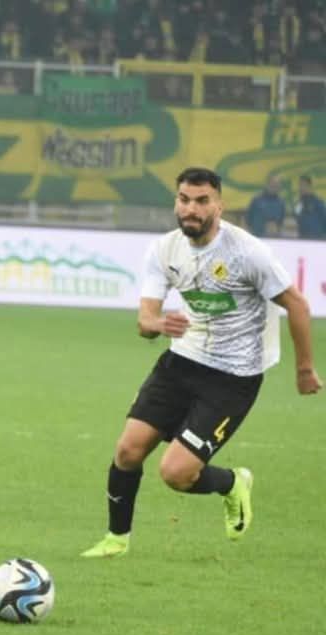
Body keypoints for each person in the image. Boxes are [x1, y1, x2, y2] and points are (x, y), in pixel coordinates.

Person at [81, 167, 321, 559]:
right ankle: (116, 539)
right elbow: (145, 321)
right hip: (182, 361)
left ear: (219, 206)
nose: (191, 209)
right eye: (184, 200)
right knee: (127, 451)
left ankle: (232, 483)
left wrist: (304, 369)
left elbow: (297, 304)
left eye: (201, 201)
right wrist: (157, 324)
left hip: (233, 377)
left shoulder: (247, 253)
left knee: (175, 473)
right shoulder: (165, 250)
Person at [294, 175, 326, 240]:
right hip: (302, 238)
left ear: (309, 186)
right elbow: (296, 217)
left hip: (317, 238)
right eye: (300, 185)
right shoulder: (299, 204)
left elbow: (324, 219)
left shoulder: (318, 203)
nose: (301, 188)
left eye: (303, 185)